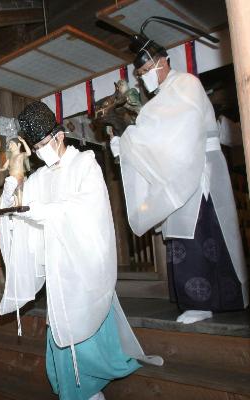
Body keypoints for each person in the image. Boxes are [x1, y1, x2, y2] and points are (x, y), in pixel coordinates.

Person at [0, 102, 161, 400]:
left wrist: (42, 211)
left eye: (43, 144)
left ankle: (89, 389)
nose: (39, 152)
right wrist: (15, 174)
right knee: (64, 328)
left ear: (59, 136)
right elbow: (15, 208)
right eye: (34, 147)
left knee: (87, 323)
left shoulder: (85, 163)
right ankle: (77, 389)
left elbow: (86, 211)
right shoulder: (40, 177)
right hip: (58, 271)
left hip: (84, 267)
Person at [108, 35, 248, 324]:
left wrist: (130, 140)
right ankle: (196, 299)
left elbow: (173, 130)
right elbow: (153, 131)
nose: (143, 79)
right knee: (183, 238)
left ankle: (204, 301)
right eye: (139, 75)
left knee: (199, 234)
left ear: (162, 63)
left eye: (145, 72)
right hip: (180, 169)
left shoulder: (186, 84)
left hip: (197, 171)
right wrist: (126, 143)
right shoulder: (162, 97)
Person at [0, 136, 31, 207]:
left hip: (19, 177)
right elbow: (5, 167)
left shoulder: (20, 155)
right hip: (12, 178)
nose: (10, 146)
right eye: (9, 145)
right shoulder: (10, 158)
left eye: (12, 144)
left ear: (18, 145)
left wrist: (24, 142)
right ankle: (16, 203)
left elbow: (29, 153)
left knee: (19, 190)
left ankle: (20, 203)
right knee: (14, 192)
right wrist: (0, 169)